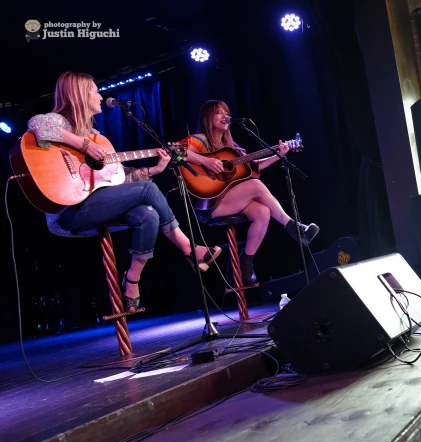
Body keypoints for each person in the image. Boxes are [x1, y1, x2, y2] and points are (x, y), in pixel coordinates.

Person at [26, 72, 221, 313]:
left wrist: (154, 169)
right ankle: (189, 249)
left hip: (98, 202)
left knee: (147, 215)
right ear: (79, 95)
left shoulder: (99, 138)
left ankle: (132, 281)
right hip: (68, 211)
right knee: (147, 190)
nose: (100, 96)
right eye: (94, 91)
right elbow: (37, 125)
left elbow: (116, 178)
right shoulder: (60, 123)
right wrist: (84, 145)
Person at [179, 100, 319, 286]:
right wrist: (205, 162)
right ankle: (293, 227)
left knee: (263, 212)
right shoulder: (199, 140)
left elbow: (253, 168)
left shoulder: (232, 148)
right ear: (207, 118)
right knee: (255, 186)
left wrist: (279, 155)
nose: (224, 116)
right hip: (208, 204)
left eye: (226, 112)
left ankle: (247, 261)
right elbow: (177, 152)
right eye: (218, 113)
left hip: (230, 200)